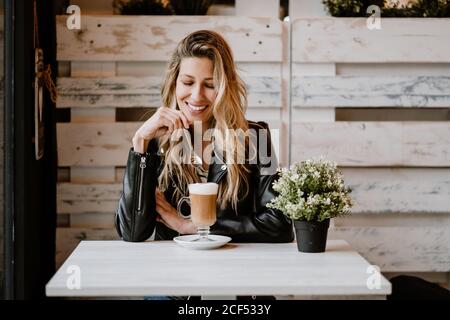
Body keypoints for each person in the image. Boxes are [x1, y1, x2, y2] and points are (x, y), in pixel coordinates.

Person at [115, 30, 294, 299]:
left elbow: (279, 226)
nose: (197, 96)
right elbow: (132, 233)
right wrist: (140, 143)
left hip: (241, 286)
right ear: (174, 82)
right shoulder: (154, 142)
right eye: (188, 82)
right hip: (172, 286)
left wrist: (192, 226)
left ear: (225, 87)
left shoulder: (255, 138)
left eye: (210, 85)